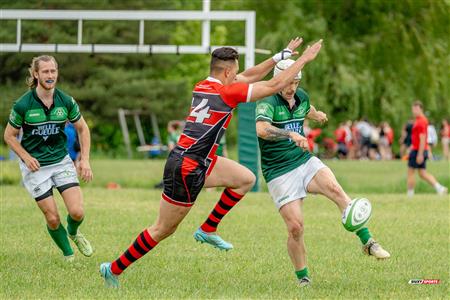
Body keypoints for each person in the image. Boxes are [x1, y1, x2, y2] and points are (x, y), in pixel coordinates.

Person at [100, 37, 324, 288]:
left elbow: (249, 75)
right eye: (235, 71)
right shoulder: (228, 93)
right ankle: (113, 268)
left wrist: (281, 56)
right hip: (186, 167)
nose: (239, 75)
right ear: (227, 71)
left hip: (202, 160)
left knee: (245, 179)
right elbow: (275, 84)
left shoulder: (204, 85)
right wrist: (304, 58)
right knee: (162, 229)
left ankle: (207, 229)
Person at [255, 59, 391, 287]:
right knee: (296, 228)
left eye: (296, 82)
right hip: (279, 171)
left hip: (304, 160)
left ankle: (368, 243)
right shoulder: (267, 102)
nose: (291, 88)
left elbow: (306, 109)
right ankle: (303, 278)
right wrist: (290, 134)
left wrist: (317, 115)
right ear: (278, 80)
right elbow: (261, 129)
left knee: (336, 190)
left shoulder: (301, 96)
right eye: (288, 82)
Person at [4, 55, 93, 262]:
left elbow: (83, 128)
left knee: (77, 212)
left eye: (53, 71)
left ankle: (73, 232)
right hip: (35, 168)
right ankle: (69, 256)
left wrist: (85, 159)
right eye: (45, 71)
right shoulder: (23, 105)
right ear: (36, 74)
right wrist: (25, 157)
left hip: (61, 161)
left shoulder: (66, 101)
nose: (50, 75)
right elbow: (9, 135)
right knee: (52, 218)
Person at [406, 101, 447, 197]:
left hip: (418, 150)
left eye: (416, 109)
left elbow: (423, 137)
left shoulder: (421, 121)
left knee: (411, 172)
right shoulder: (419, 120)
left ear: (421, 109)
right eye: (413, 109)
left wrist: (420, 153)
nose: (414, 111)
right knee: (422, 173)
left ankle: (410, 194)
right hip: (418, 149)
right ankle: (440, 188)